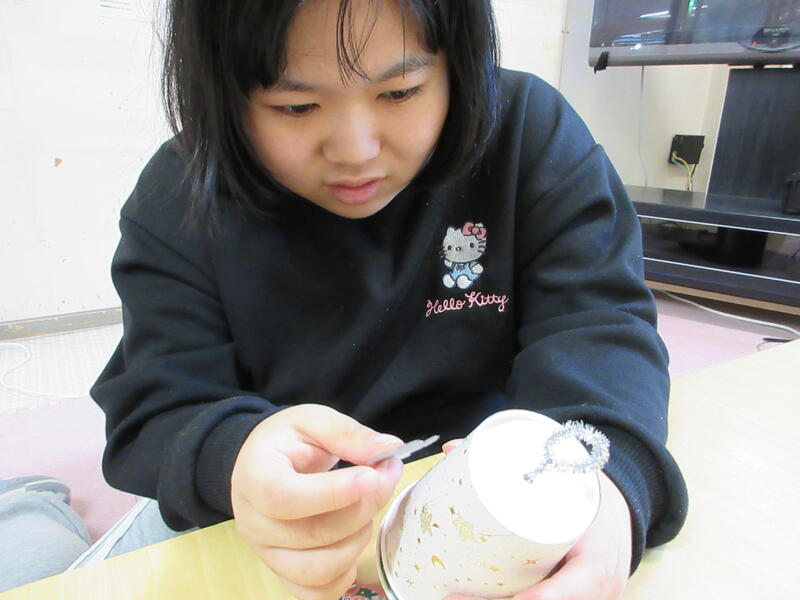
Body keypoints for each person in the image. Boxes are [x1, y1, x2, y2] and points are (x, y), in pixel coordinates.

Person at [89, 0, 688, 599]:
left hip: (484, 508)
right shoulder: (180, 197)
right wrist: (233, 455)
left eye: (400, 92)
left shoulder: (528, 134)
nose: (355, 151)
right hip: (259, 525)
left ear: (458, 62)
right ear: (223, 89)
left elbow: (600, 329)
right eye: (296, 106)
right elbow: (158, 406)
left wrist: (608, 489)